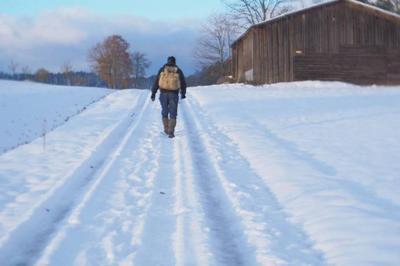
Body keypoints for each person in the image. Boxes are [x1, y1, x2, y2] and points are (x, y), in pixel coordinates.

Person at [151, 56, 186, 138]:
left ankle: (166, 129)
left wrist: (153, 93)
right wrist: (183, 93)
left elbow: (156, 81)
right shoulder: (178, 70)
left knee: (164, 111)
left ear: (167, 61)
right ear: (175, 62)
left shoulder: (162, 69)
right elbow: (183, 82)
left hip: (163, 93)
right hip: (174, 94)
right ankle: (171, 131)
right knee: (173, 112)